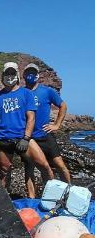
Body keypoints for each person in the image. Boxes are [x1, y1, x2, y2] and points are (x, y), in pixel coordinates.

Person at [0, 62, 54, 197]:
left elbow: (31, 118)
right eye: (7, 74)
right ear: (3, 76)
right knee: (5, 170)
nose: (9, 76)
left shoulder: (26, 93)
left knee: (44, 165)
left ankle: (52, 195)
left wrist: (26, 138)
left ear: (17, 75)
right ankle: (3, 199)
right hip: (3, 138)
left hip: (22, 138)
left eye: (12, 73)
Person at [23, 63, 70, 194]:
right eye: (28, 72)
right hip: (29, 138)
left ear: (38, 75)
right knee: (29, 168)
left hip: (45, 135)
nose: (30, 75)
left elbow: (63, 105)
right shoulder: (22, 92)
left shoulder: (47, 91)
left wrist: (56, 125)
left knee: (60, 165)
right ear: (23, 75)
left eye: (33, 72)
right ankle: (32, 198)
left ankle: (69, 191)